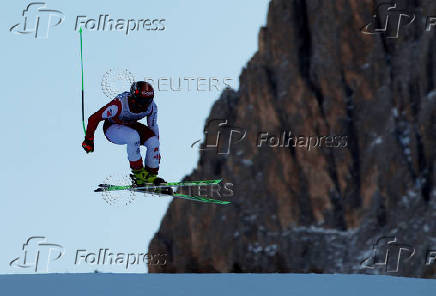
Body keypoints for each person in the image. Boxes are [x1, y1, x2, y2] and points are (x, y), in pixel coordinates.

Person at [82, 81, 166, 187]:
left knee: (153, 141)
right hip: (112, 128)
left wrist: (156, 152)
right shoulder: (119, 104)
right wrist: (89, 140)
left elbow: (153, 127)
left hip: (131, 125)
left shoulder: (151, 107)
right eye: (141, 102)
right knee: (133, 136)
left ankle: (151, 176)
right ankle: (138, 174)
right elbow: (94, 118)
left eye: (147, 102)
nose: (144, 106)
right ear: (133, 98)